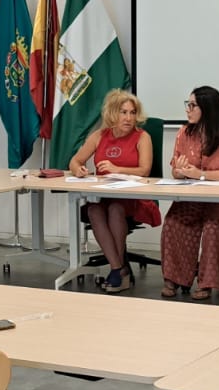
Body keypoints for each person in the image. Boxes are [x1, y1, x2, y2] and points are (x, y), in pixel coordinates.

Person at [67, 89, 161, 293]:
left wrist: (118, 169)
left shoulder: (142, 137)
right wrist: (78, 170)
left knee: (115, 209)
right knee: (94, 210)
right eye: (123, 112)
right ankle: (119, 269)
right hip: (103, 195)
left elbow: (145, 170)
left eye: (132, 112)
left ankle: (117, 271)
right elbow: (75, 160)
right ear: (112, 113)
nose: (129, 118)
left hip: (132, 198)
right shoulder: (99, 136)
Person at [160, 86, 219, 300]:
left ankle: (207, 283)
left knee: (212, 228)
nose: (187, 110)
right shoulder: (184, 132)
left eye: (192, 105)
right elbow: (175, 171)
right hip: (192, 198)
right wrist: (180, 171)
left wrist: (200, 175)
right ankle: (174, 278)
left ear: (207, 108)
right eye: (187, 105)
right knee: (173, 222)